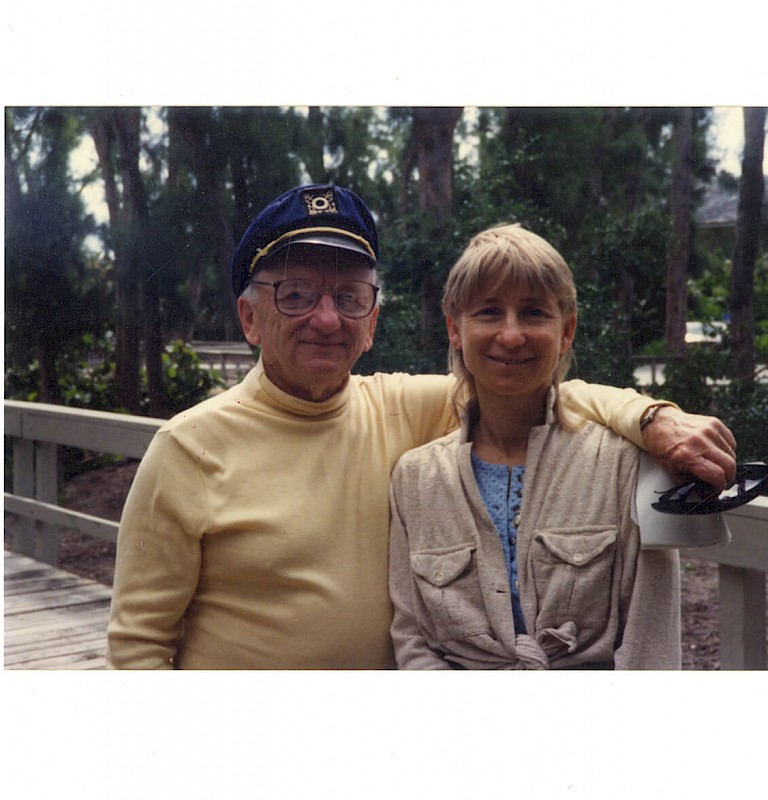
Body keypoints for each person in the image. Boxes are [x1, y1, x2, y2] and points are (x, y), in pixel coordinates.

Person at [106, 185, 736, 670]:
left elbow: (535, 382)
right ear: (249, 317)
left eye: (350, 297)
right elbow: (137, 647)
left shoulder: (402, 408)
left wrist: (654, 417)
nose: (326, 318)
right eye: (295, 294)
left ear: (372, 320)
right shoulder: (188, 447)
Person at [389, 223, 690, 669]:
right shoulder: (414, 478)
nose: (511, 335)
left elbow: (651, 645)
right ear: (455, 329)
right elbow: (412, 640)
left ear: (566, 331)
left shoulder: (623, 465)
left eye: (533, 313)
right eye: (489, 311)